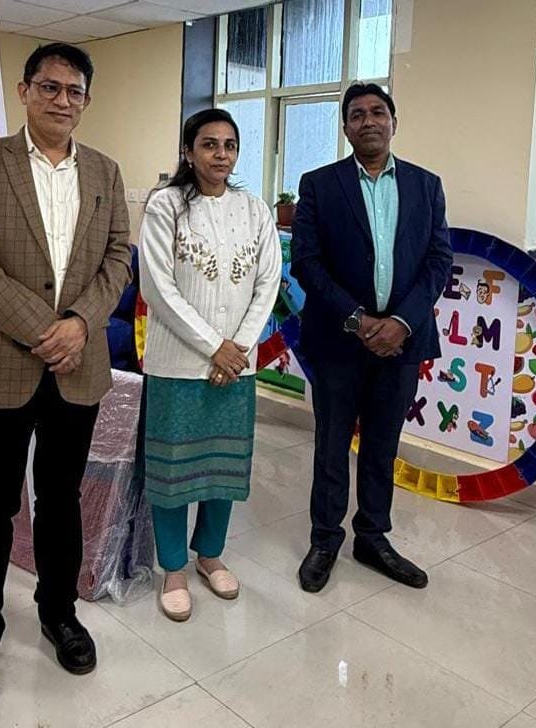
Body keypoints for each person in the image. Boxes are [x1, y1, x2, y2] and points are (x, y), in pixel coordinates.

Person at [0, 43, 132, 709]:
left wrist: (80, 323)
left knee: (61, 497)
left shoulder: (105, 171)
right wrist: (45, 329)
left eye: (74, 90)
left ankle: (59, 614)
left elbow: (118, 256)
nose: (61, 100)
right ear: (25, 91)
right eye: (49, 87)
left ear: (87, 100)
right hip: (4, 358)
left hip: (78, 364)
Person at [291, 82, 452, 594]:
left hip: (402, 342)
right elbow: (306, 262)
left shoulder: (426, 186)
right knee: (332, 444)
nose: (368, 121)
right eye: (357, 114)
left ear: (393, 122)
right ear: (346, 128)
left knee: (382, 444)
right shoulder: (319, 185)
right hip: (339, 340)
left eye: (377, 112)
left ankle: (373, 538)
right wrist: (357, 320)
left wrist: (402, 321)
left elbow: (438, 261)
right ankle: (324, 539)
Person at [139, 108, 281, 622]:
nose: (221, 154)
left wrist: (236, 347)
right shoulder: (166, 206)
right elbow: (157, 287)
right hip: (177, 365)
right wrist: (212, 346)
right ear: (188, 150)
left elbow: (268, 281)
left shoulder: (255, 209)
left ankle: (210, 555)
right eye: (209, 144)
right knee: (173, 471)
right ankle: (174, 568)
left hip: (236, 366)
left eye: (229, 145)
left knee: (223, 468)